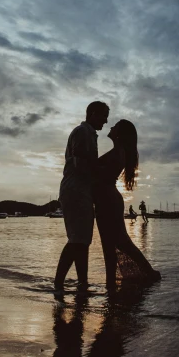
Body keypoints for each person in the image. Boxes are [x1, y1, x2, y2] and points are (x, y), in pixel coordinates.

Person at [94, 120, 160, 291]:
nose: (110, 127)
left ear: (119, 134)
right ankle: (114, 284)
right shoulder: (118, 151)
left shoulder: (118, 152)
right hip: (107, 199)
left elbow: (100, 175)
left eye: (114, 126)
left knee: (116, 243)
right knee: (117, 243)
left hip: (107, 200)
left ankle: (114, 284)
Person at [54, 101, 109, 292]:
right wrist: (102, 171)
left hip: (81, 190)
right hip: (76, 190)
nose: (106, 120)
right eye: (104, 115)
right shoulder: (82, 132)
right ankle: (59, 283)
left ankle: (82, 282)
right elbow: (80, 164)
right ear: (93, 114)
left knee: (83, 240)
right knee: (78, 239)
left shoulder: (90, 134)